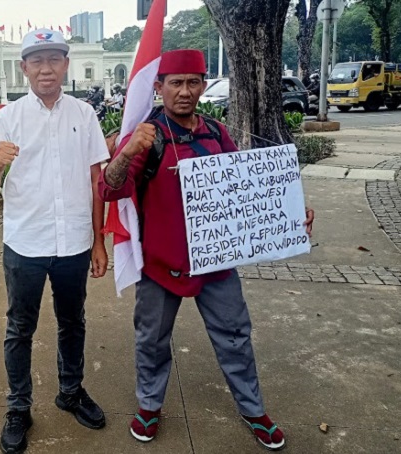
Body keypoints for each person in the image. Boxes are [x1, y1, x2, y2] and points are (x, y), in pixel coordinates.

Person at [98, 49, 315, 450]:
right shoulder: (146, 136)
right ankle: (149, 407)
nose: (184, 92)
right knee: (152, 340)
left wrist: (288, 211)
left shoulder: (216, 132)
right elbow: (110, 189)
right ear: (159, 87)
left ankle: (253, 410)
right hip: (160, 267)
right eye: (175, 83)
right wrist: (126, 151)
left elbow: (245, 187)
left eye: (193, 82)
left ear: (203, 85)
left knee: (235, 336)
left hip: (217, 263)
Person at [0, 29, 110, 454]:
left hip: (73, 241)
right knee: (20, 328)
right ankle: (18, 408)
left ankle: (70, 392)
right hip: (25, 244)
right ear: (25, 68)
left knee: (73, 322)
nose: (46, 68)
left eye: (54, 58)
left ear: (66, 65)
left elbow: (96, 180)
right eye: (37, 60)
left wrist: (99, 240)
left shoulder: (84, 114)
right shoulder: (7, 117)